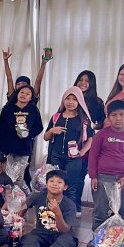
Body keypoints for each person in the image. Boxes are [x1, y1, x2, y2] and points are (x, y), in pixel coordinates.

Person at [5, 169, 77, 247]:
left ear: (65, 187)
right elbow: (24, 206)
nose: (55, 184)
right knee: (30, 238)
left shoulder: (70, 205)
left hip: (61, 234)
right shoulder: (38, 196)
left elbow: (64, 229)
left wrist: (57, 213)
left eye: (59, 182)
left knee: (66, 241)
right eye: (51, 181)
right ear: (46, 184)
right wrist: (18, 219)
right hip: (41, 232)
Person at [88, 100, 124, 230]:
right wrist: (93, 176)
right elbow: (93, 157)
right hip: (102, 178)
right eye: (114, 115)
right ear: (108, 117)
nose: (118, 118)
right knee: (100, 212)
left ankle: (121, 239)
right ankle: (97, 239)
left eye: (122, 115)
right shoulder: (101, 135)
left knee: (123, 213)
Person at [44, 86, 94, 216]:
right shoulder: (56, 117)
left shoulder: (84, 120)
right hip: (56, 156)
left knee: (71, 186)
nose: (70, 102)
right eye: (68, 98)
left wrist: (83, 152)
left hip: (74, 159)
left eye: (74, 99)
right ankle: (53, 211)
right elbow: (46, 137)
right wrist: (52, 131)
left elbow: (90, 139)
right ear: (63, 100)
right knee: (55, 185)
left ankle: (70, 213)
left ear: (79, 102)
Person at [0, 85, 43, 189]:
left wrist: (28, 134)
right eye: (22, 92)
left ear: (31, 97)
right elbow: (0, 129)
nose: (24, 95)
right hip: (7, 147)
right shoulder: (8, 108)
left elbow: (39, 127)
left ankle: (17, 196)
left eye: (27, 94)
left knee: (19, 176)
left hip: (24, 147)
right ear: (17, 94)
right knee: (6, 174)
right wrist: (0, 149)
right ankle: (6, 195)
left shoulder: (33, 109)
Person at [73, 70, 106, 213]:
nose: (83, 83)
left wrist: (91, 127)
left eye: (87, 81)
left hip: (86, 143)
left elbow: (102, 122)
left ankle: (76, 206)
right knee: (65, 175)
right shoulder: (71, 97)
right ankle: (64, 206)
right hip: (69, 141)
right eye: (80, 80)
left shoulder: (97, 102)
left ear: (92, 84)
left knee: (80, 176)